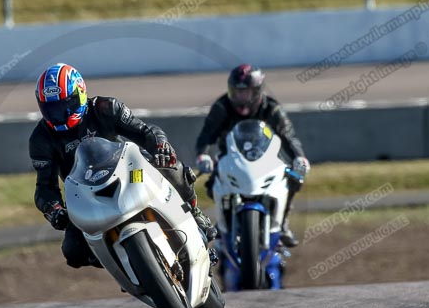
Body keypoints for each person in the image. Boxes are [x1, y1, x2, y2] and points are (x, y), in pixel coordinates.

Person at [29, 63, 217, 269]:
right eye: (52, 109)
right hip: (86, 194)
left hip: (129, 171)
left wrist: (161, 146)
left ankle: (196, 214)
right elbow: (45, 187)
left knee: (172, 169)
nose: (60, 114)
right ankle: (124, 265)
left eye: (66, 104)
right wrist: (53, 209)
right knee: (73, 252)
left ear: (81, 94)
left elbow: (145, 132)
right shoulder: (41, 139)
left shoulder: (105, 108)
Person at [194, 64, 309, 247]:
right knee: (213, 182)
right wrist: (202, 155)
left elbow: (288, 135)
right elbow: (207, 135)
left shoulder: (271, 108)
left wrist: (299, 157)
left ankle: (283, 223)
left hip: (267, 158)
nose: (241, 98)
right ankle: (224, 222)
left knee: (292, 179)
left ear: (257, 91)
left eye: (245, 93)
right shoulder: (221, 107)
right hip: (231, 157)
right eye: (237, 92)